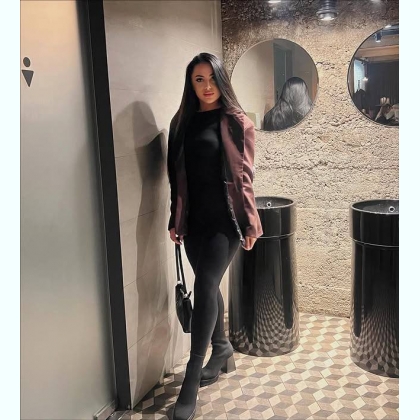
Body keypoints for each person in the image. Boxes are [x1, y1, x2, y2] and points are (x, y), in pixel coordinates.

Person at [167, 52, 263, 420]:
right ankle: (221, 348)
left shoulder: (238, 122)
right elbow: (176, 179)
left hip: (227, 222)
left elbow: (244, 178)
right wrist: (175, 219)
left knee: (206, 284)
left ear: (222, 80)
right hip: (195, 223)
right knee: (207, 286)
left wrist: (251, 222)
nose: (206, 86)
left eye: (211, 78)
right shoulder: (181, 122)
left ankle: (191, 377)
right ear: (190, 84)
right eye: (198, 80)